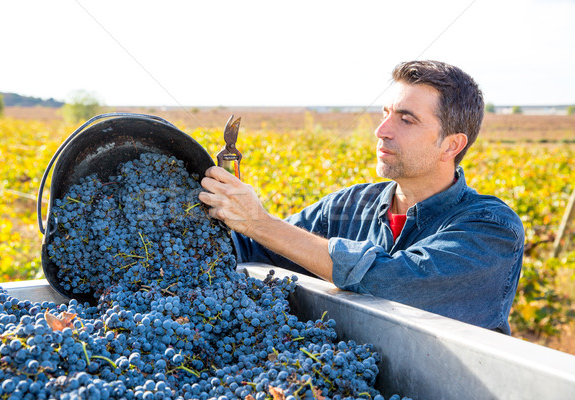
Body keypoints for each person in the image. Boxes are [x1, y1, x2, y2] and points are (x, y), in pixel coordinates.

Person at [199, 60, 524, 335]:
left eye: (406, 119)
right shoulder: (347, 206)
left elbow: (394, 284)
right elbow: (252, 250)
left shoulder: (492, 229)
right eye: (385, 113)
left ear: (451, 145)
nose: (381, 129)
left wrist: (260, 222)